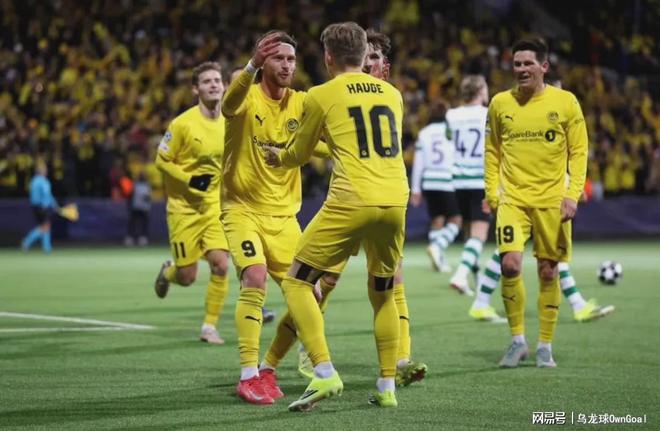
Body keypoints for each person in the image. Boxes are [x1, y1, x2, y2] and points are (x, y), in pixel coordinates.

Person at [264, 22, 408, 410]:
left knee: (297, 282)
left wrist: (278, 157)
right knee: (384, 293)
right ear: (363, 55)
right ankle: (387, 386)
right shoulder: (393, 95)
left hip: (352, 199)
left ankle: (324, 371)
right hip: (396, 200)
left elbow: (299, 153)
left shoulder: (321, 94)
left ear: (328, 57)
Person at [222, 31, 335, 405]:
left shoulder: (301, 103)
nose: (287, 65)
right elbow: (227, 106)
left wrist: (339, 150)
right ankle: (247, 376)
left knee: (311, 293)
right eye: (278, 58)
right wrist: (250, 66)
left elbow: (318, 141)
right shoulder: (246, 95)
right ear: (264, 62)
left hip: (285, 217)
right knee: (254, 276)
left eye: (291, 59)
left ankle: (268, 367)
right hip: (242, 208)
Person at [484, 38, 588, 368]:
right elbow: (492, 151)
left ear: (544, 66)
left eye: (528, 63)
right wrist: (492, 192)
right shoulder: (500, 103)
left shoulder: (566, 102)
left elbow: (579, 151)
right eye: (517, 64)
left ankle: (545, 344)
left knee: (548, 270)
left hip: (552, 201)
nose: (521, 69)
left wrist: (572, 195)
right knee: (510, 265)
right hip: (512, 199)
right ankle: (518, 341)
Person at [153, 62, 231, 346]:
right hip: (183, 210)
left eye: (217, 80)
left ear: (224, 86)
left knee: (221, 265)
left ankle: (209, 327)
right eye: (207, 81)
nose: (214, 85)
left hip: (214, 208)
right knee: (187, 277)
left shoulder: (231, 121)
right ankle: (168, 272)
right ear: (196, 89)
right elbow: (161, 160)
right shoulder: (182, 124)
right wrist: (189, 180)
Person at [446, 75, 491, 298]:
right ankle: (461, 275)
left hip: (457, 180)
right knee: (479, 234)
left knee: (468, 232)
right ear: (481, 91)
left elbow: (448, 142)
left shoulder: (451, 115)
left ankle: (475, 276)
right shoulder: (488, 114)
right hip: (480, 180)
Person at [409, 98, 461, 274]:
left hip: (429, 181)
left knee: (437, 220)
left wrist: (416, 189)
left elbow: (419, 163)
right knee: (456, 219)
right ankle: (438, 247)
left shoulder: (424, 133)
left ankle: (439, 259)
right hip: (446, 180)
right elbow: (456, 156)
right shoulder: (450, 131)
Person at [21, 162, 58, 253]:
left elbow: (33, 196)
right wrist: (53, 204)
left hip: (35, 206)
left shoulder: (33, 181)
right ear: (41, 171)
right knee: (45, 226)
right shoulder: (43, 181)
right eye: (45, 170)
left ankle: (46, 247)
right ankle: (27, 242)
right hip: (42, 206)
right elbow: (47, 195)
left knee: (46, 225)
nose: (46, 171)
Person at [125, 172, 151, 247]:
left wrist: (147, 204)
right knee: (132, 223)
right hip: (135, 207)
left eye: (143, 176)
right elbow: (131, 195)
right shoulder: (135, 185)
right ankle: (130, 238)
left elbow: (149, 197)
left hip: (144, 208)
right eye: (141, 176)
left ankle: (143, 238)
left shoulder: (147, 185)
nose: (142, 177)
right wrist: (130, 205)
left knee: (144, 223)